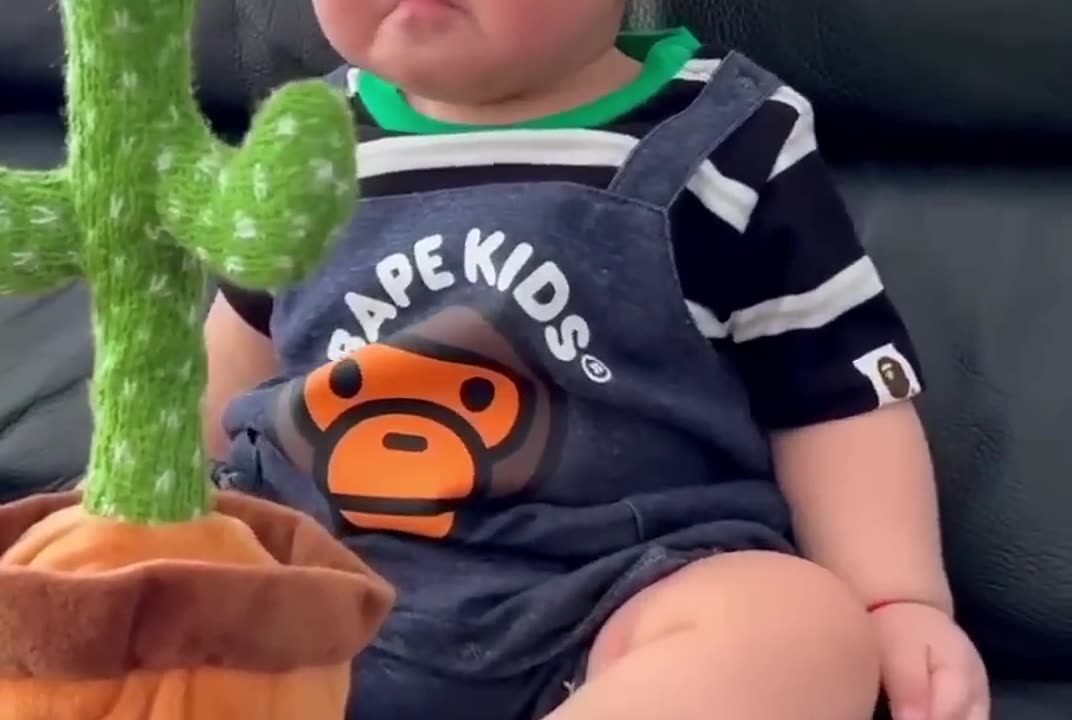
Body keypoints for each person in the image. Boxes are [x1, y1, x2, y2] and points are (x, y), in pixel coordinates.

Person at [204, 1, 989, 718]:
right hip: (313, 593)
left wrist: (895, 598)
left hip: (613, 603)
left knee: (803, 629)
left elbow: (838, 401)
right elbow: (227, 366)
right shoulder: (300, 148)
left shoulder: (731, 143)